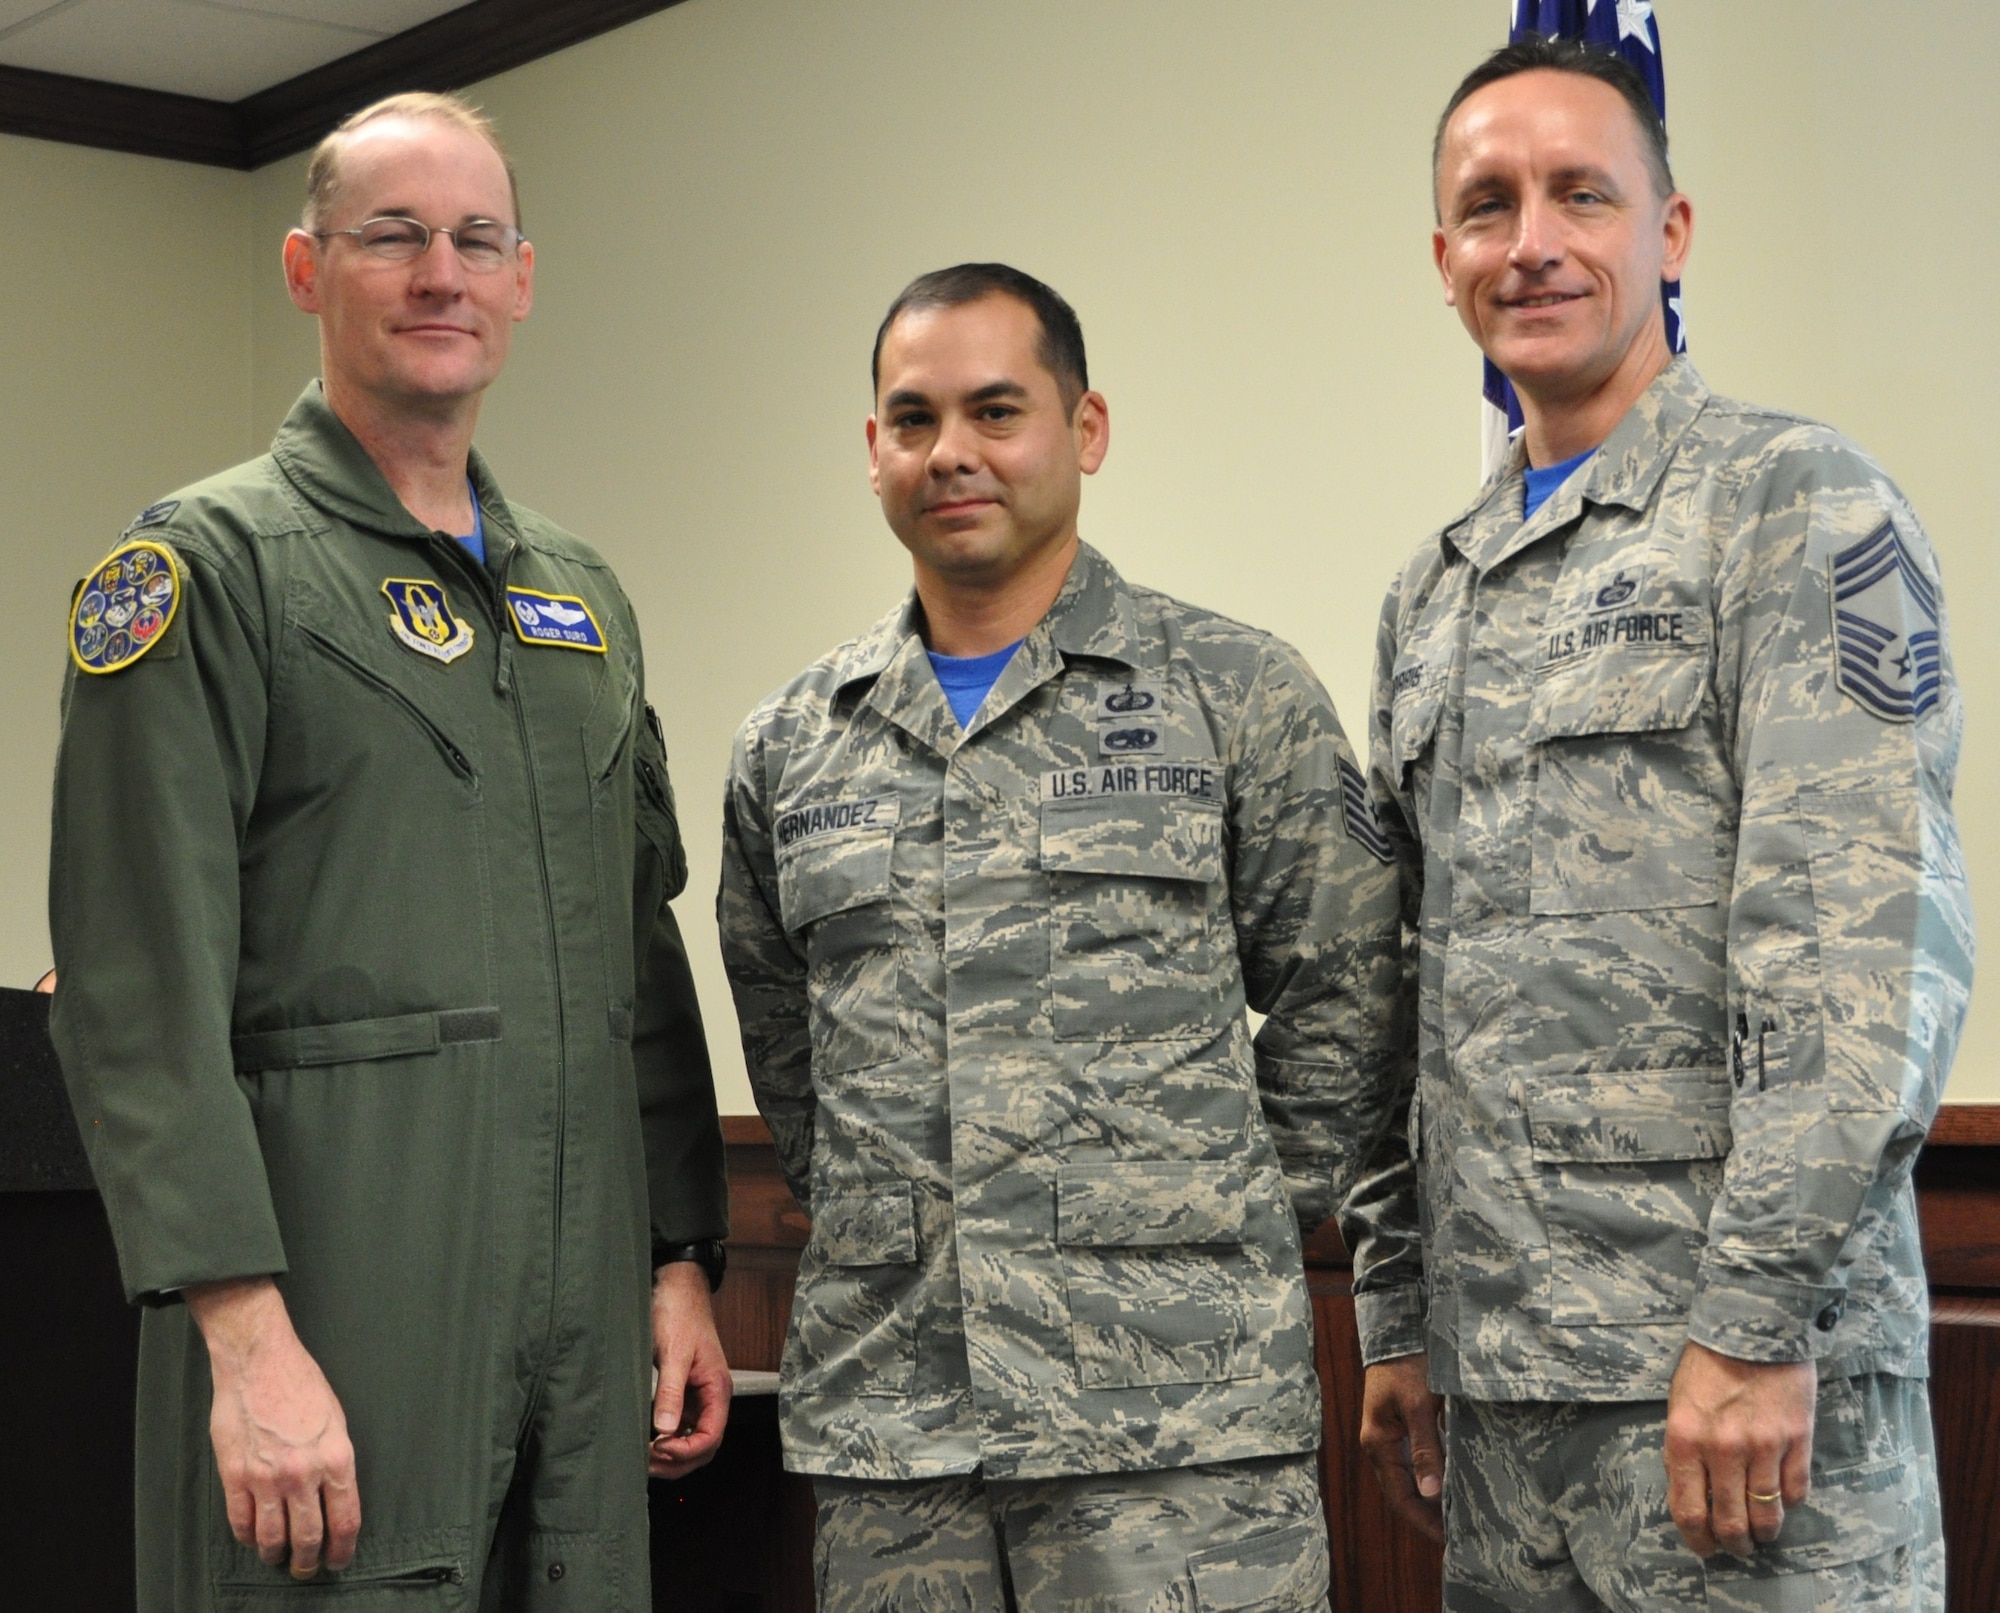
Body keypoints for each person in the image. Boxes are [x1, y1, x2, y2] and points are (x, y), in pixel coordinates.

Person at [47, 92, 729, 1609]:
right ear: (305, 269)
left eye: (478, 239)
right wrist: (244, 1333)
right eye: (395, 237)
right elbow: (132, 987)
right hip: (337, 1309)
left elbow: (642, 949)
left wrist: (680, 1254)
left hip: (583, 1325)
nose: (442, 275)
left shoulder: (584, 597)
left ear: (524, 279)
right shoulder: (202, 572)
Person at [1343, 36, 1973, 1613]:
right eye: (1489, 207)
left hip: (1738, 1395)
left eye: (1582, 194)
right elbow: (1396, 996)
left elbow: (1859, 947)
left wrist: (1755, 1320)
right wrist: (1400, 1317)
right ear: (1444, 260)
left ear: (1670, 233)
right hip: (1506, 1409)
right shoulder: (1431, 594)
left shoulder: (1798, 505)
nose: (1533, 241)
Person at [717, 262, 1402, 1611]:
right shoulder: (793, 743)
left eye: (996, 409)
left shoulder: (1234, 693)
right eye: (913, 419)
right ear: (873, 452)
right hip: (898, 1435)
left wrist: (1197, 1209)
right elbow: (788, 1047)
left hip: (1178, 1436)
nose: (952, 452)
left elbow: (1353, 999)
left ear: (1084, 432)